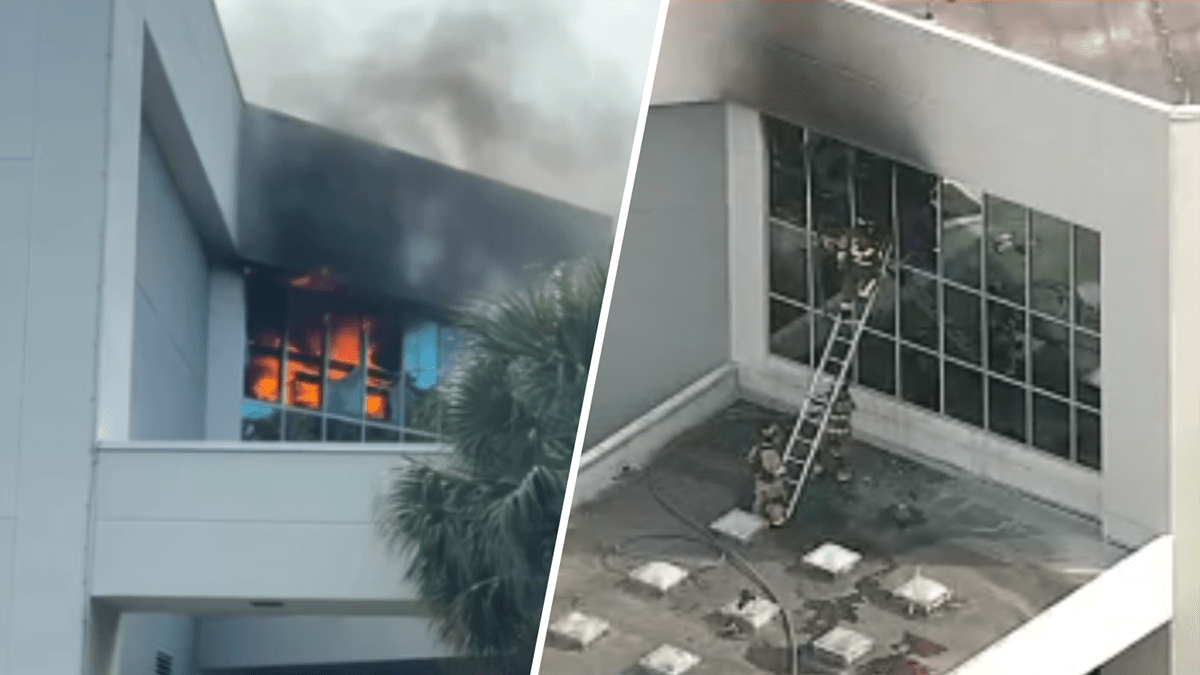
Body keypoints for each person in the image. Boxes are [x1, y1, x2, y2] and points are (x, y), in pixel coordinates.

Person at [747, 423, 790, 526]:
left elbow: (750, 459)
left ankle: (758, 518)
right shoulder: (771, 453)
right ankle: (776, 519)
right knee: (775, 500)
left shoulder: (757, 449)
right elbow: (776, 470)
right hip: (771, 482)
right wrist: (782, 471)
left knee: (760, 500)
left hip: (760, 481)